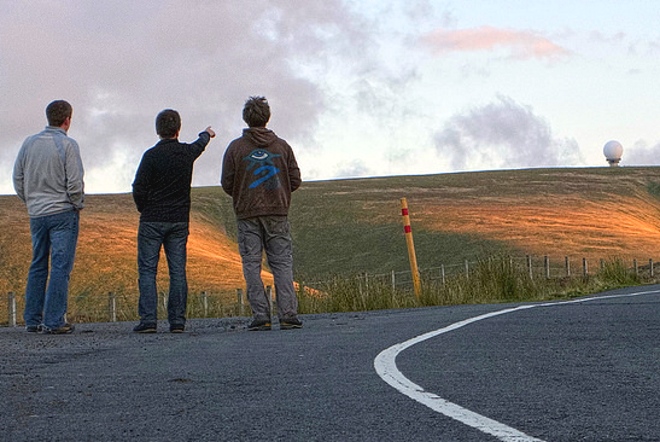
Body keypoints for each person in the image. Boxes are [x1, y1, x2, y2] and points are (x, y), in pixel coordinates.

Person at [221, 96, 303, 331]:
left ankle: (261, 315)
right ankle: (288, 314)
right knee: (282, 263)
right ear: (267, 117)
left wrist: (243, 194)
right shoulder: (282, 146)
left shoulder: (236, 148)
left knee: (251, 263)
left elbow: (227, 182)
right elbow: (295, 179)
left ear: (246, 118)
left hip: (247, 214)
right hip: (277, 212)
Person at [132, 109, 215, 333]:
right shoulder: (186, 153)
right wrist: (207, 133)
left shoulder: (150, 156)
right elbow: (200, 144)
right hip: (178, 221)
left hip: (152, 219)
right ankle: (177, 321)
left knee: (148, 271)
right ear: (178, 129)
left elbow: (138, 187)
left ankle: (149, 320)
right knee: (177, 271)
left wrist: (144, 208)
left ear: (158, 131)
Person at [12, 100, 85, 334]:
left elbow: (18, 177)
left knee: (38, 264)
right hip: (62, 212)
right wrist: (77, 204)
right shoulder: (68, 145)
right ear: (67, 120)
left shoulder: (29, 143)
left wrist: (31, 201)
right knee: (60, 266)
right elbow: (74, 182)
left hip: (37, 213)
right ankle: (54, 320)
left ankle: (32, 319)